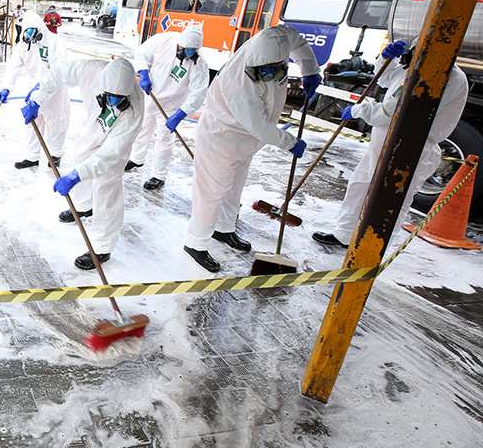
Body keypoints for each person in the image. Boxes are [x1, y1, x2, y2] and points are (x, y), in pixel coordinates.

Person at [184, 24, 321, 273]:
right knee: (212, 192)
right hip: (222, 138)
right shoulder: (239, 86)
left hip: (247, 140)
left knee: (235, 187)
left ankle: (224, 230)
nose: (263, 75)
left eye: (271, 71)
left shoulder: (279, 37)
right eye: (260, 71)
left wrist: (310, 69)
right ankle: (196, 243)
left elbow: (298, 42)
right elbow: (262, 129)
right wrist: (291, 143)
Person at [313, 40, 469, 248]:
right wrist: (386, 59)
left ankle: (372, 248)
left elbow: (394, 113)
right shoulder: (419, 67)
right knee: (360, 186)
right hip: (385, 142)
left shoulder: (445, 77)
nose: (408, 62)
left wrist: (359, 110)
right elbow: (388, 78)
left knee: (389, 201)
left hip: (409, 149)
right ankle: (345, 236)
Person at [23, 57, 144, 270]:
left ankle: (102, 247)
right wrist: (37, 99)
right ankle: (83, 207)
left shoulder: (134, 108)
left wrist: (74, 176)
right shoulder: (89, 69)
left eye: (119, 97)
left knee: (107, 186)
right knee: (81, 158)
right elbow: (57, 74)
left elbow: (110, 153)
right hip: (91, 123)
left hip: (115, 139)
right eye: (110, 95)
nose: (115, 100)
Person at [127, 25, 209, 190]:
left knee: (164, 138)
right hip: (151, 95)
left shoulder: (199, 63)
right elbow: (141, 53)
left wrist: (179, 115)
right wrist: (143, 72)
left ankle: (159, 176)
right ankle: (136, 159)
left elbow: (198, 93)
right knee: (142, 128)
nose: (188, 54)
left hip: (172, 103)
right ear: (179, 43)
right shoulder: (164, 40)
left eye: (192, 51)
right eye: (185, 50)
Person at [0, 10, 70, 169]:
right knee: (32, 123)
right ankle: (32, 157)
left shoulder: (55, 42)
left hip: (54, 90)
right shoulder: (23, 45)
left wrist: (42, 87)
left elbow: (58, 71)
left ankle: (55, 155)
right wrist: (6, 87)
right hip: (34, 89)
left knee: (56, 123)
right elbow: (13, 67)